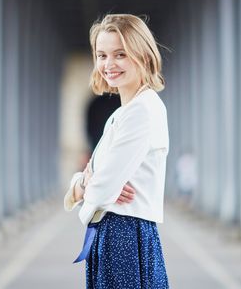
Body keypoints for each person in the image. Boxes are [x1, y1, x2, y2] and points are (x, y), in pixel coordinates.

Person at [64, 14, 170, 288]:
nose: (108, 64)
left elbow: (102, 187)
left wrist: (89, 186)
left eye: (120, 54)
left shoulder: (142, 112)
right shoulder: (124, 113)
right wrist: (86, 183)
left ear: (143, 56)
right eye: (101, 55)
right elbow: (97, 182)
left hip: (123, 234)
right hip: (116, 232)